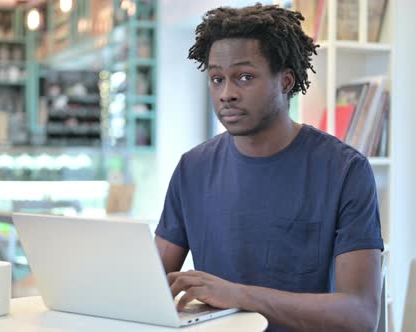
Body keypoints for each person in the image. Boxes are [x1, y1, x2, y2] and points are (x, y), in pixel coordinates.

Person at [154, 4, 384, 332]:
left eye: (244, 77)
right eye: (217, 79)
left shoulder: (345, 170)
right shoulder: (192, 168)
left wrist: (241, 295)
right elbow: (151, 286)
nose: (226, 94)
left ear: (286, 81)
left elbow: (360, 315)